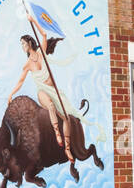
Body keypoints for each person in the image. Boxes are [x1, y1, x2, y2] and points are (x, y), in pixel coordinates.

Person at [7, 16, 83, 162]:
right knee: (50, 105)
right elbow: (20, 81)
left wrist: (33, 20)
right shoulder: (27, 64)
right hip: (43, 92)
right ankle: (57, 134)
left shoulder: (42, 53)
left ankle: (67, 149)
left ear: (29, 43)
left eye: (23, 43)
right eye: (21, 45)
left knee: (67, 118)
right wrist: (11, 94)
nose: (22, 46)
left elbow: (44, 35)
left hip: (54, 90)